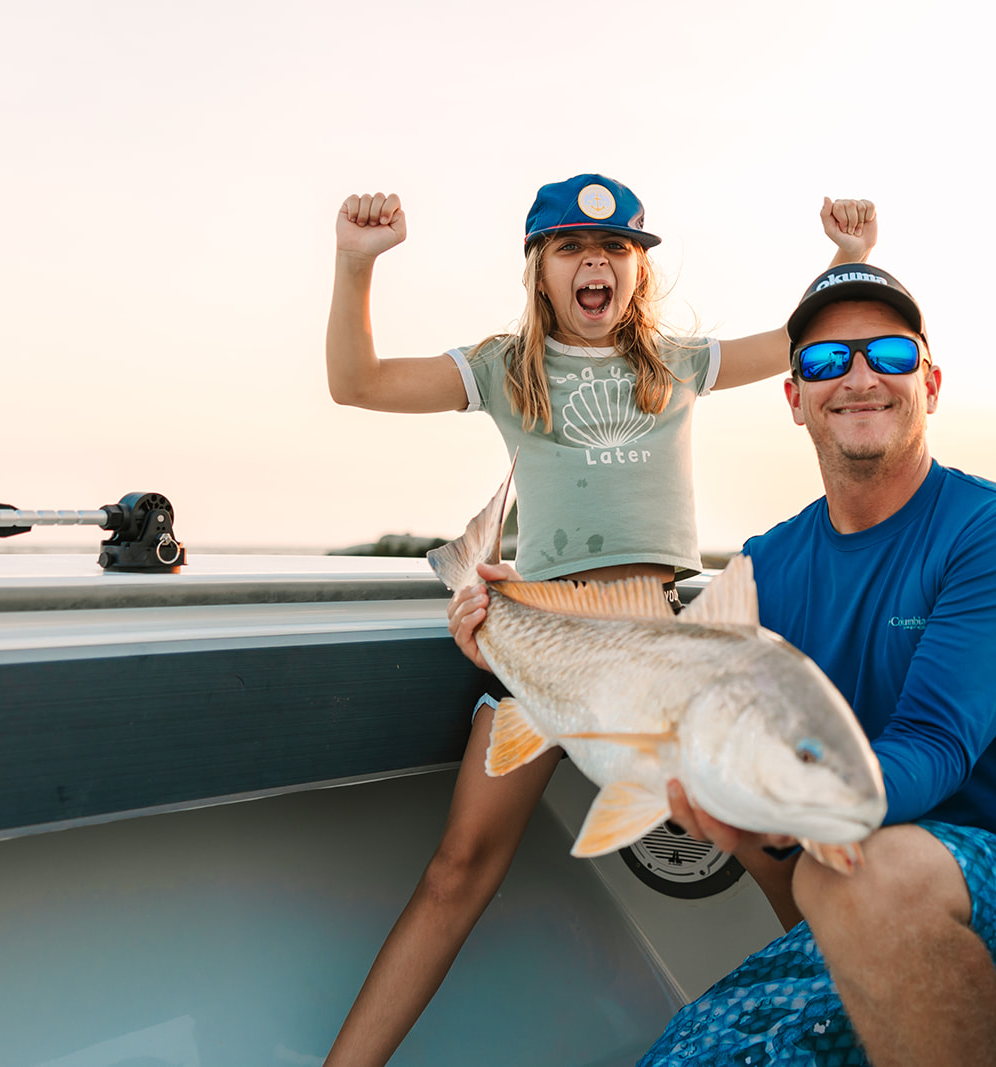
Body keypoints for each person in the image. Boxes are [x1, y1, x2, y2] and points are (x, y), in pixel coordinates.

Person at [450, 264, 996, 1067]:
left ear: (932, 382)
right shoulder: (768, 567)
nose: (861, 376)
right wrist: (504, 624)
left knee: (858, 869)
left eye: (890, 353)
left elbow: (935, 746)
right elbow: (656, 670)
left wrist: (778, 798)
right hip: (852, 893)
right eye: (824, 361)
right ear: (795, 397)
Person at [320, 173, 877, 1067]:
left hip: (662, 646)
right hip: (542, 644)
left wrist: (847, 259)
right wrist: (356, 265)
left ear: (637, 272)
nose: (597, 264)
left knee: (781, 843)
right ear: (541, 269)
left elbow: (804, 337)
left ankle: (854, 1027)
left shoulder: (679, 364)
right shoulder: (508, 367)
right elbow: (358, 382)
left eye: (617, 250)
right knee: (458, 869)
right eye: (573, 248)